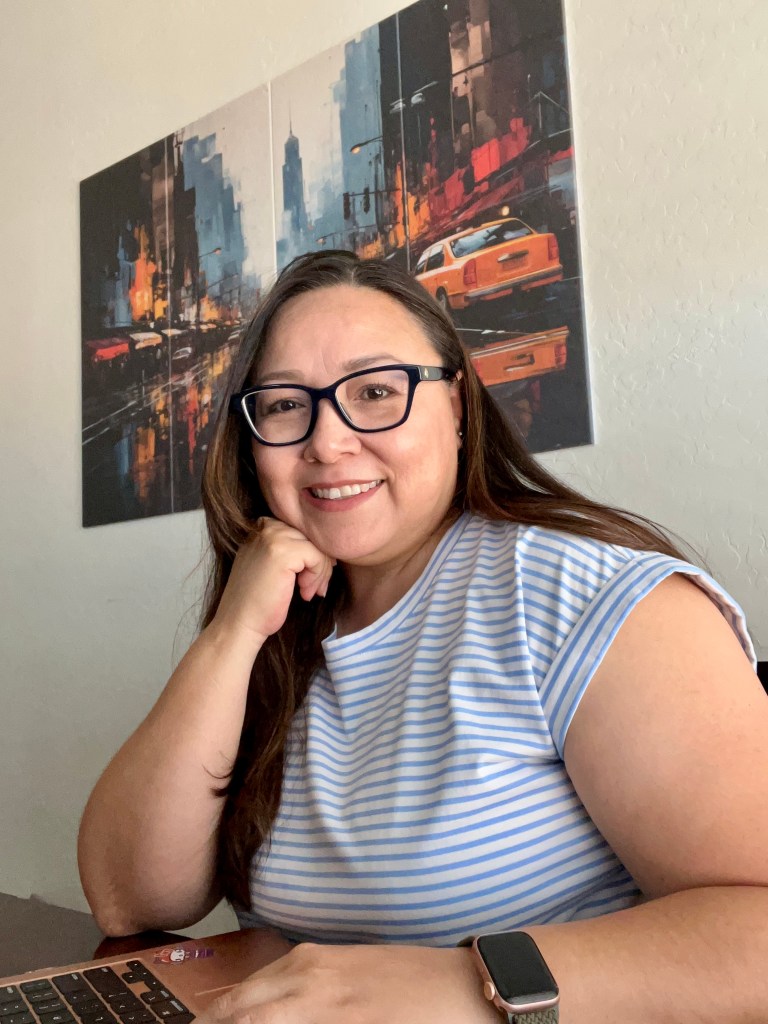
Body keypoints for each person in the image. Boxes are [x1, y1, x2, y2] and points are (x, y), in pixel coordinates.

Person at [78, 250, 768, 1024]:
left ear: (460, 405)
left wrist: (461, 988)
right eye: (282, 406)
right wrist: (231, 634)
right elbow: (129, 902)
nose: (328, 443)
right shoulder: (281, 624)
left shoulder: (591, 599)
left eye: (377, 392)